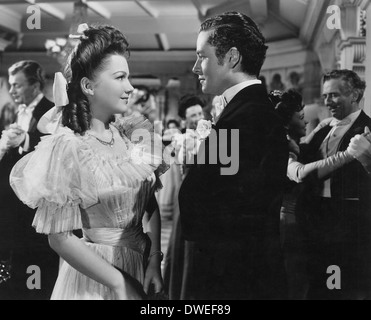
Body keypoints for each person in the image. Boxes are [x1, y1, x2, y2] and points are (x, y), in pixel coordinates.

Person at [9, 24, 168, 300]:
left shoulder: (134, 133)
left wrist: (154, 257)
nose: (130, 87)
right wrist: (119, 283)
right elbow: (59, 237)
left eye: (128, 77)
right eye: (120, 77)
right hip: (96, 277)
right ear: (88, 86)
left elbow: (148, 202)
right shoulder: (68, 147)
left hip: (142, 266)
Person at [178, 11, 289, 300]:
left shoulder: (241, 118)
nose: (195, 67)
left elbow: (199, 200)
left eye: (202, 56)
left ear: (231, 57)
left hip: (231, 278)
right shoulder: (248, 111)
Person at [296, 69, 371, 300]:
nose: (328, 102)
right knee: (317, 277)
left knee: (339, 283)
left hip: (349, 219)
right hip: (318, 215)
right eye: (326, 96)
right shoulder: (324, 128)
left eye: (334, 95)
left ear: (356, 94)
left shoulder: (368, 130)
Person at [271, 89, 354, 300]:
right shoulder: (281, 146)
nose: (306, 121)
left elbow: (305, 144)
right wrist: (348, 155)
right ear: (286, 124)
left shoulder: (288, 141)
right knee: (295, 284)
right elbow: (299, 173)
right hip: (287, 225)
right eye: (300, 118)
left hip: (295, 222)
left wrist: (320, 127)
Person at [0, 60, 57, 300]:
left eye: (17, 85)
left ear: (35, 85)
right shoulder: (14, 111)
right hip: (12, 200)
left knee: (35, 258)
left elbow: (55, 148)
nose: (12, 91)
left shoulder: (51, 109)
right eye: (10, 85)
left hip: (35, 200)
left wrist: (24, 140)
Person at [162, 94, 205, 300]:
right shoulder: (182, 139)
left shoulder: (212, 134)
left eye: (199, 113)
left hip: (207, 202)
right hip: (189, 199)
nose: (197, 118)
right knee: (184, 248)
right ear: (184, 120)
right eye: (193, 115)